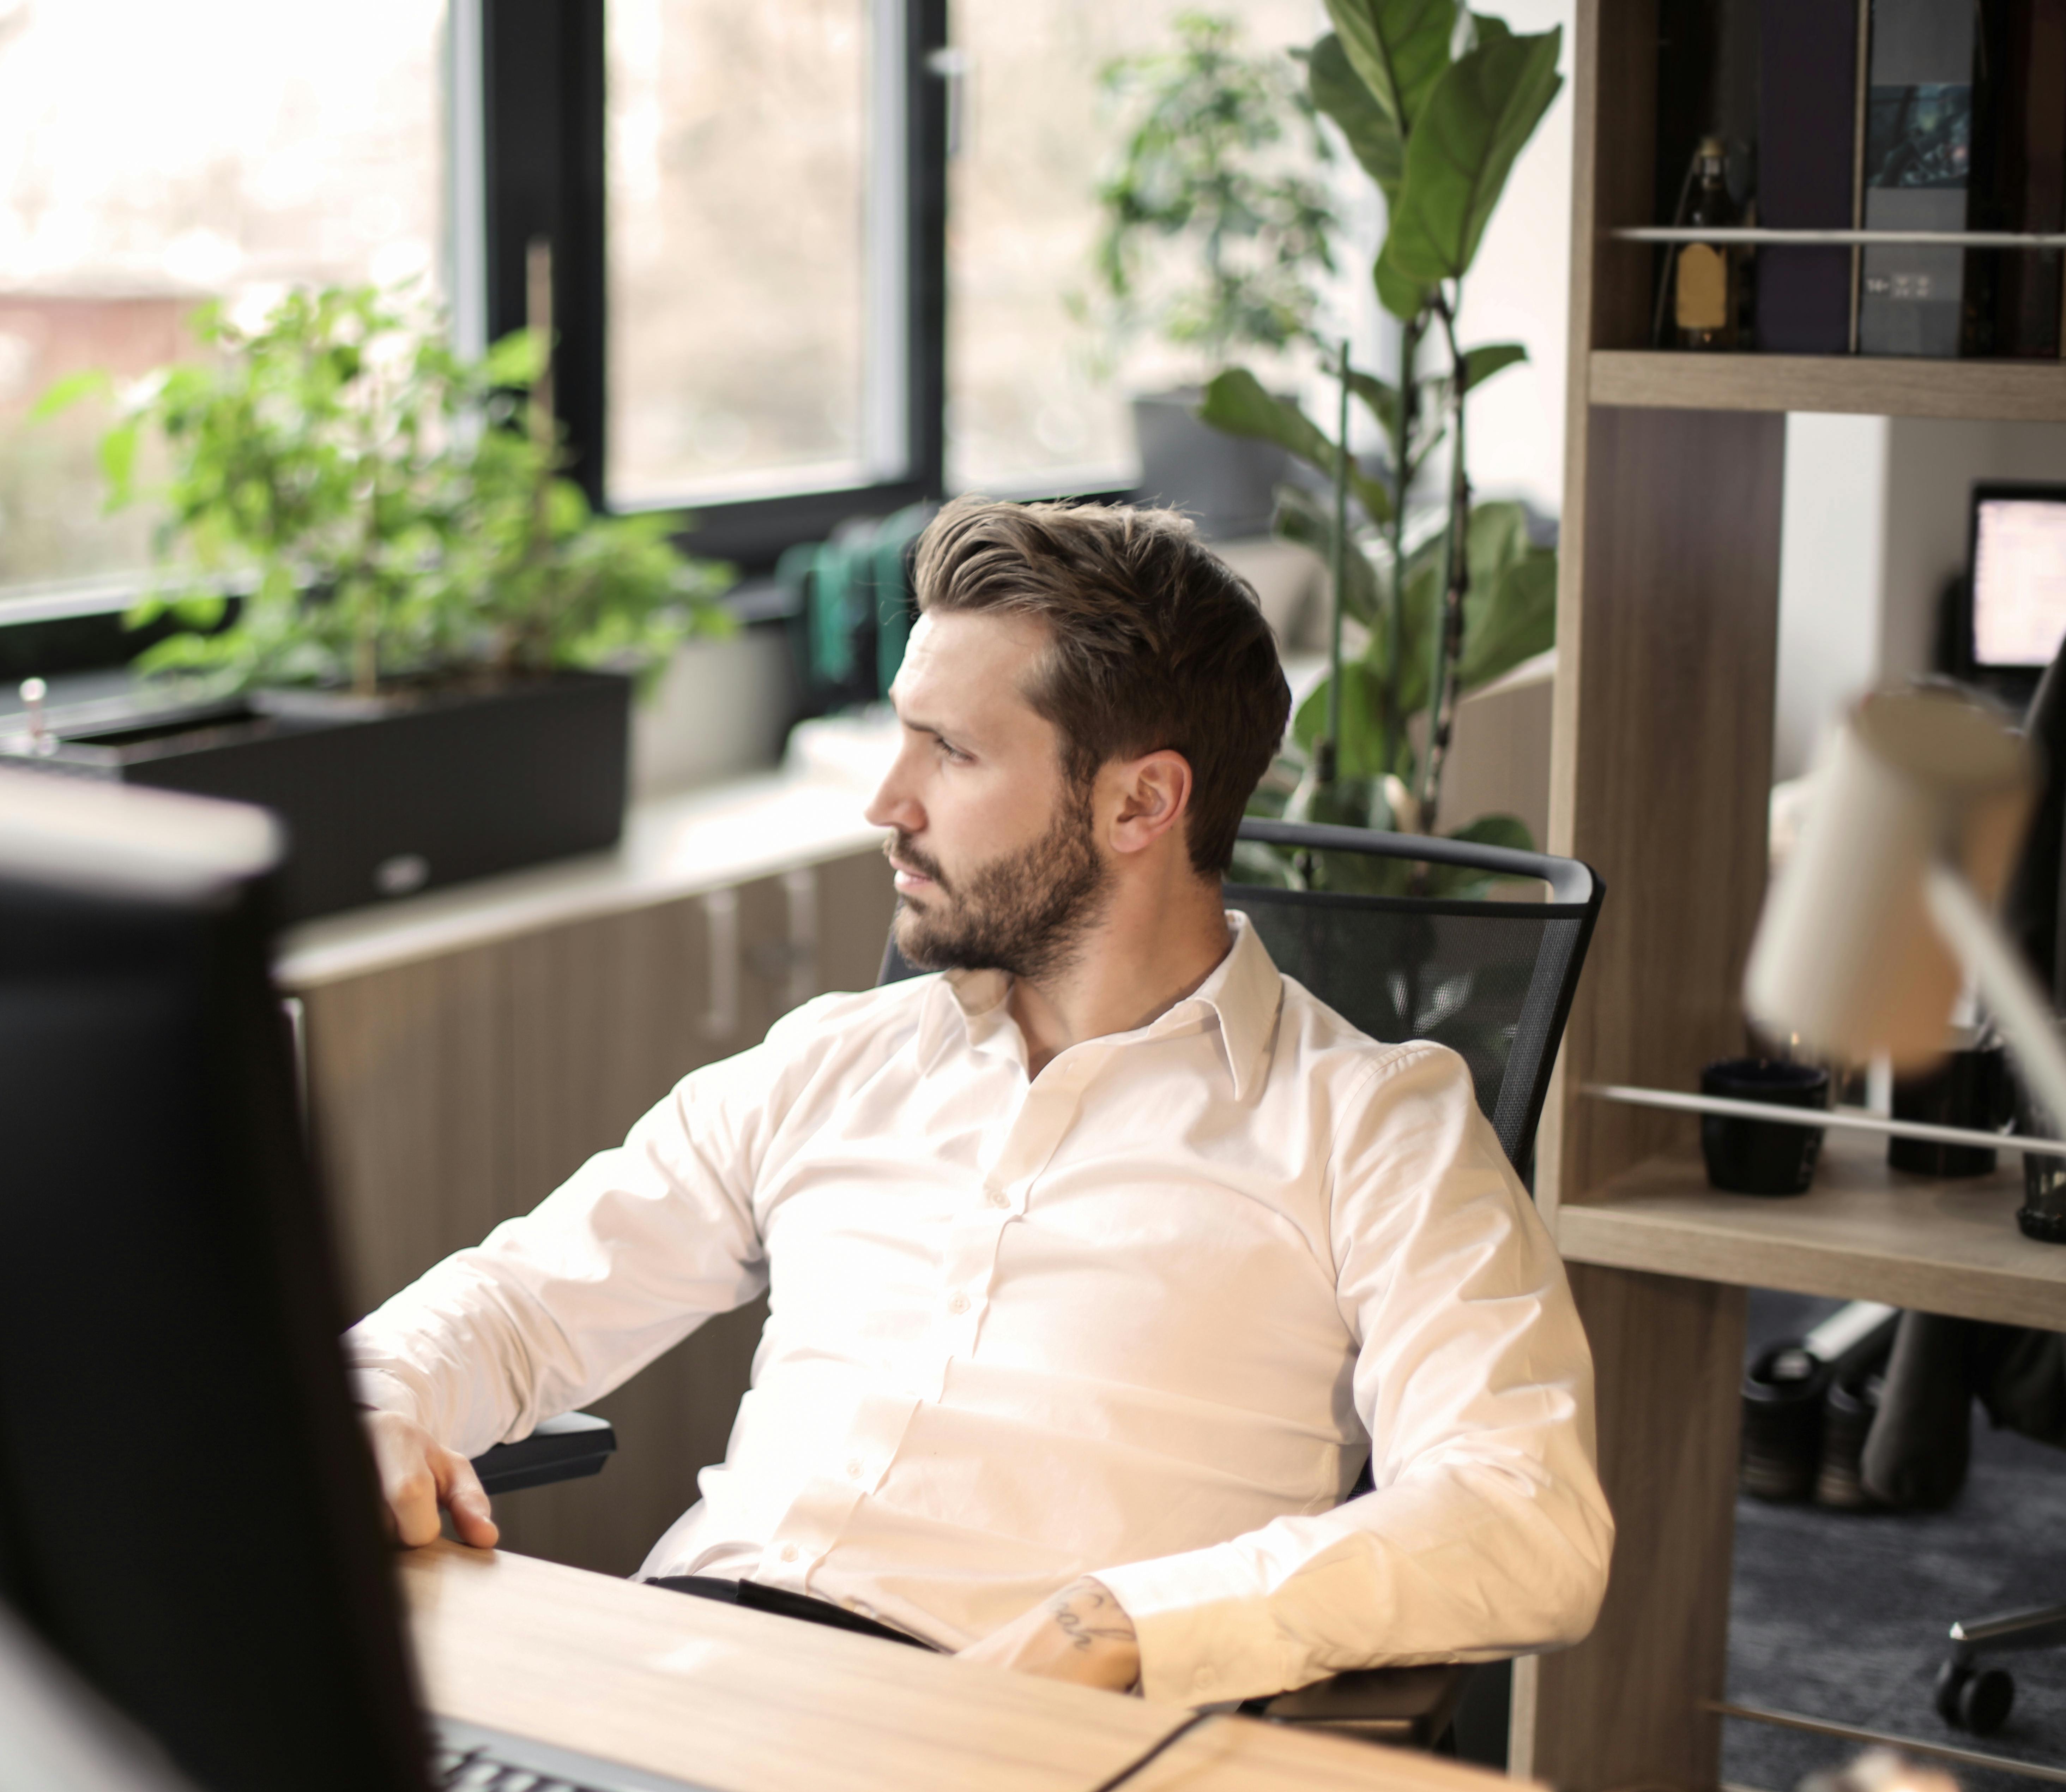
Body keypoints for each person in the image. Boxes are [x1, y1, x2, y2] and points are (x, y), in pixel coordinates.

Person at [347, 497, 1612, 1709]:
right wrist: (384, 1398)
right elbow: (519, 1303)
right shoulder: (834, 1059)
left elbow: (1522, 1512)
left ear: (1142, 802)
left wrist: (1119, 1624)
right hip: (683, 1679)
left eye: (949, 751)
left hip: (989, 1732)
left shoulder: (1374, 1128)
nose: (886, 803)